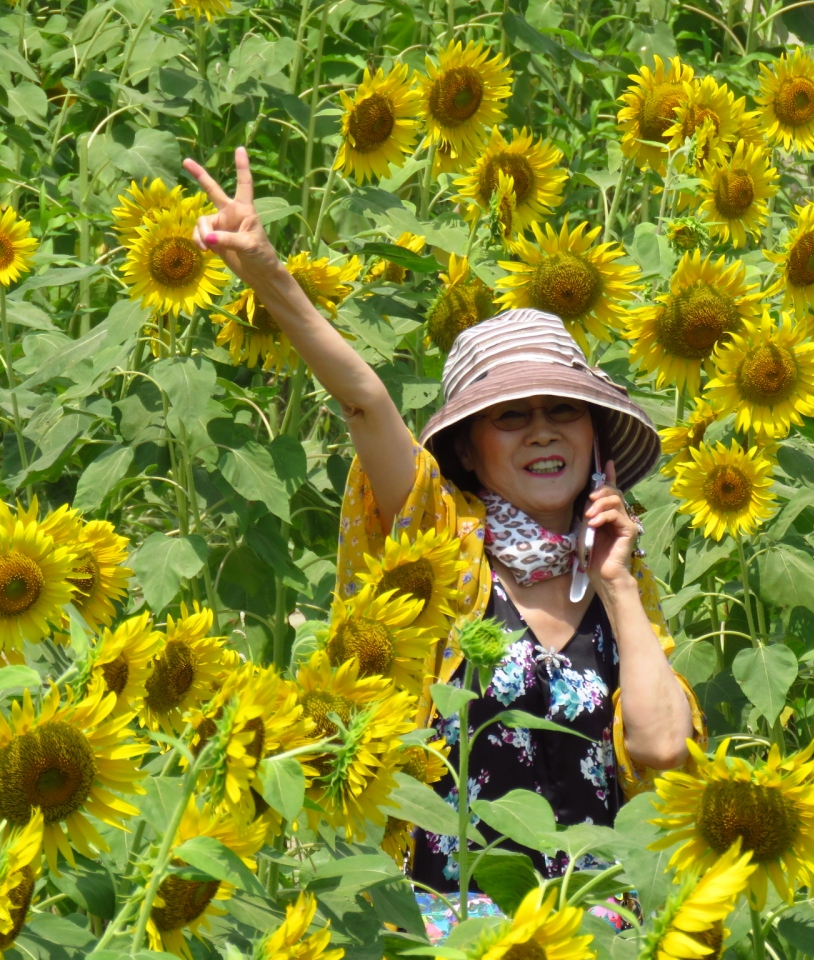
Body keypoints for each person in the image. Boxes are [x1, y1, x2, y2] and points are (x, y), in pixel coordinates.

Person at [183, 149, 699, 895]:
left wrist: (616, 585)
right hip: (440, 924)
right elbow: (365, 402)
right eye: (512, 418)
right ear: (467, 445)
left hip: (590, 929)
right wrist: (266, 270)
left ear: (596, 439)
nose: (543, 433)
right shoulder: (442, 542)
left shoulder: (623, 589)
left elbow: (663, 748)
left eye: (564, 413)